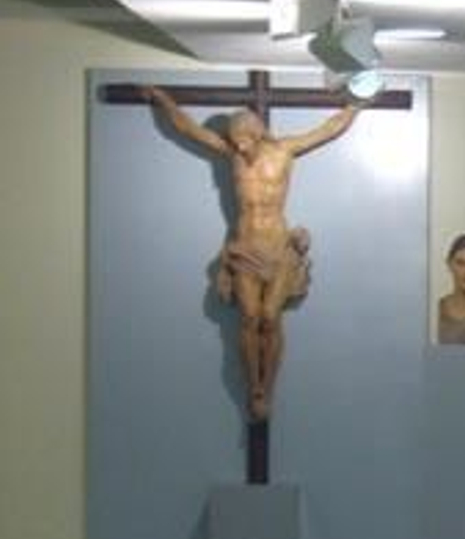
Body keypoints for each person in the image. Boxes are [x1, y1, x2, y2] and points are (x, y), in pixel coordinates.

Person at [144, 86, 362, 420]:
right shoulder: (231, 153)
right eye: (234, 141)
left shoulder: (285, 150)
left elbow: (328, 130)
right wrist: (162, 100)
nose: (239, 147)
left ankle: (267, 387)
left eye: (244, 140)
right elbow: (188, 129)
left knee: (271, 318)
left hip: (278, 247)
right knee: (248, 318)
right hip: (245, 248)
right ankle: (253, 387)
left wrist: (355, 105)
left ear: (258, 134)